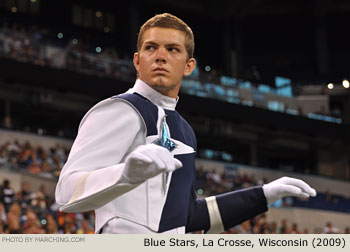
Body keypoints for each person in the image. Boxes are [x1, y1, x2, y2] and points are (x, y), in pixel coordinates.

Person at [55, 13, 316, 234]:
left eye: (172, 49)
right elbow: (66, 194)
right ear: (137, 60)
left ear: (189, 65)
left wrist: (261, 196)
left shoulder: (185, 130)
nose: (160, 56)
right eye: (150, 47)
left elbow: (188, 217)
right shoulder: (121, 109)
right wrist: (125, 175)